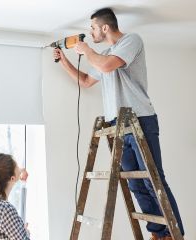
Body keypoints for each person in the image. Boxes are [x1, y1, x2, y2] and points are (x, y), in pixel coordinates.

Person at [53, 7, 184, 240]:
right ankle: (158, 233)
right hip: (118, 125)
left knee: (154, 181)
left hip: (140, 119)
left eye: (93, 27)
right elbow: (85, 81)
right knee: (135, 186)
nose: (90, 32)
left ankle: (174, 234)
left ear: (105, 27)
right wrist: (64, 61)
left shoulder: (131, 41)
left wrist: (88, 50)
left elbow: (106, 65)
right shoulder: (106, 54)